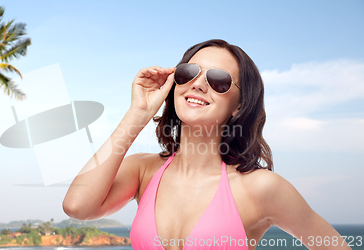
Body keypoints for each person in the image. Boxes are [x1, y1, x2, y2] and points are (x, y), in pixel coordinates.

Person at [62, 39, 351, 250]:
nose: (198, 84)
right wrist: (137, 114)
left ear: (238, 106)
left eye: (219, 80)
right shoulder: (144, 171)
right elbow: (77, 206)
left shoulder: (260, 187)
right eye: (188, 72)